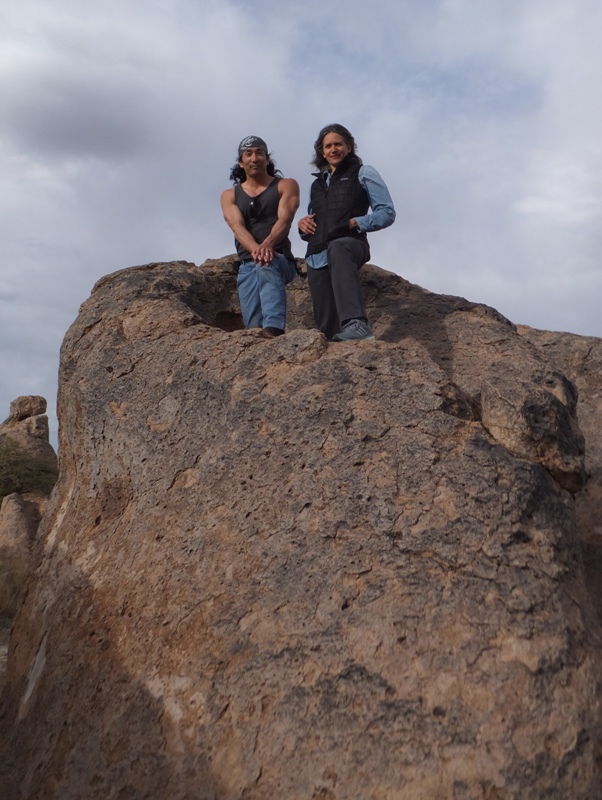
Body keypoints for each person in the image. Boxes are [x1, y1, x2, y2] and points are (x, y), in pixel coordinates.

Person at [298, 124, 396, 341]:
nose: (333, 149)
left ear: (349, 147)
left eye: (338, 144)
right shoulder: (316, 185)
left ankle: (357, 324)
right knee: (327, 331)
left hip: (350, 244)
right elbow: (313, 218)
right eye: (328, 146)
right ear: (322, 152)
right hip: (316, 255)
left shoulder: (363, 173)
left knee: (338, 247)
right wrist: (302, 226)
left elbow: (387, 212)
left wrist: (356, 222)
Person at [221, 136, 300, 337]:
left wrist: (267, 245)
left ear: (267, 158)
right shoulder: (230, 195)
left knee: (267, 263)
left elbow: (285, 219)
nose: (254, 158)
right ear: (241, 162)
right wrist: (256, 249)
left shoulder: (285, 185)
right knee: (253, 329)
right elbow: (236, 226)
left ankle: (274, 327)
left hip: (279, 258)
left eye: (259, 153)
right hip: (248, 262)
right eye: (248, 154)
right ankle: (259, 334)